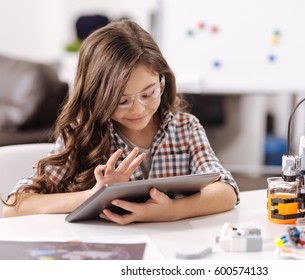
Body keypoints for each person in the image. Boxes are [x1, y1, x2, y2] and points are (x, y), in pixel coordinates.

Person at [2, 19, 239, 224]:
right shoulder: (80, 135)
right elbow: (13, 206)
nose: (138, 109)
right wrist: (95, 195)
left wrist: (172, 211)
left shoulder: (185, 128)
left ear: (162, 81)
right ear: (95, 96)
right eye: (122, 101)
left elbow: (227, 191)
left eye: (148, 93)